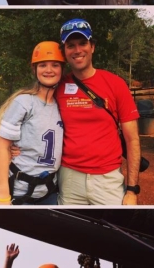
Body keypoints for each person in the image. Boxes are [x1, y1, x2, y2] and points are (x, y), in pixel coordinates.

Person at [55, 18, 141, 205]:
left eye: (83, 43)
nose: (77, 50)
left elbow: (132, 139)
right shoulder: (57, 87)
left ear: (92, 46)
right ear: (64, 52)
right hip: (69, 178)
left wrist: (132, 189)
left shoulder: (115, 84)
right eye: (71, 45)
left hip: (107, 179)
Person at [0, 42, 65, 205]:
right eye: (42, 65)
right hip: (21, 191)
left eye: (55, 65)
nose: (49, 70)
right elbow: (2, 146)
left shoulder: (61, 104)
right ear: (34, 69)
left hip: (49, 190)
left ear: (62, 69)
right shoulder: (24, 102)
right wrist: (3, 194)